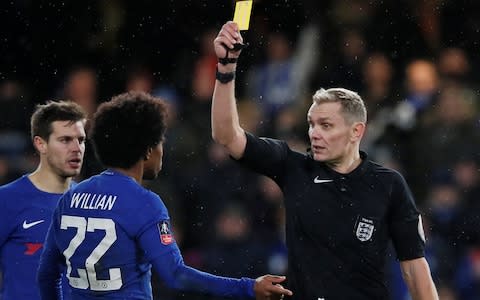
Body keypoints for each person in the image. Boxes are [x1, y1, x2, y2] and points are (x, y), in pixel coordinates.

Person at [211, 21, 439, 300]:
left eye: (326, 126)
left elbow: (415, 269)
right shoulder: (292, 166)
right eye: (311, 124)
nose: (314, 134)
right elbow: (226, 136)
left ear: (357, 131)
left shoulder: (389, 184)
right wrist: (225, 69)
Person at [36, 91, 292, 300]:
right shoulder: (144, 203)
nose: (163, 151)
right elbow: (175, 275)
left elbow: (47, 275)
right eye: (160, 142)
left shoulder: (70, 198)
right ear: (147, 151)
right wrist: (247, 287)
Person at [0, 100, 87, 300]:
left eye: (80, 140)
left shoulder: (91, 203)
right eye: (65, 140)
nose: (76, 148)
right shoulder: (7, 200)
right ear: (41, 144)